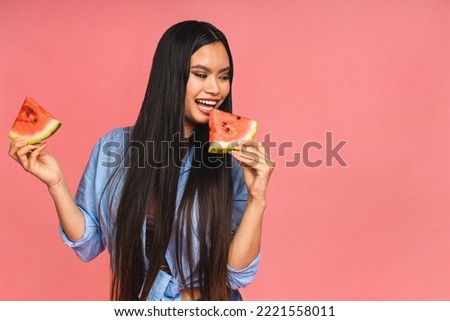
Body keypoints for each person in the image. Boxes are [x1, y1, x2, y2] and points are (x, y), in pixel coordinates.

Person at [8, 20, 275, 301]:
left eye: (224, 76)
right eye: (201, 74)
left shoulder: (227, 162)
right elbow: (88, 244)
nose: (216, 89)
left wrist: (258, 199)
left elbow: (236, 274)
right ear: (171, 75)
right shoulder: (114, 148)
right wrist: (56, 183)